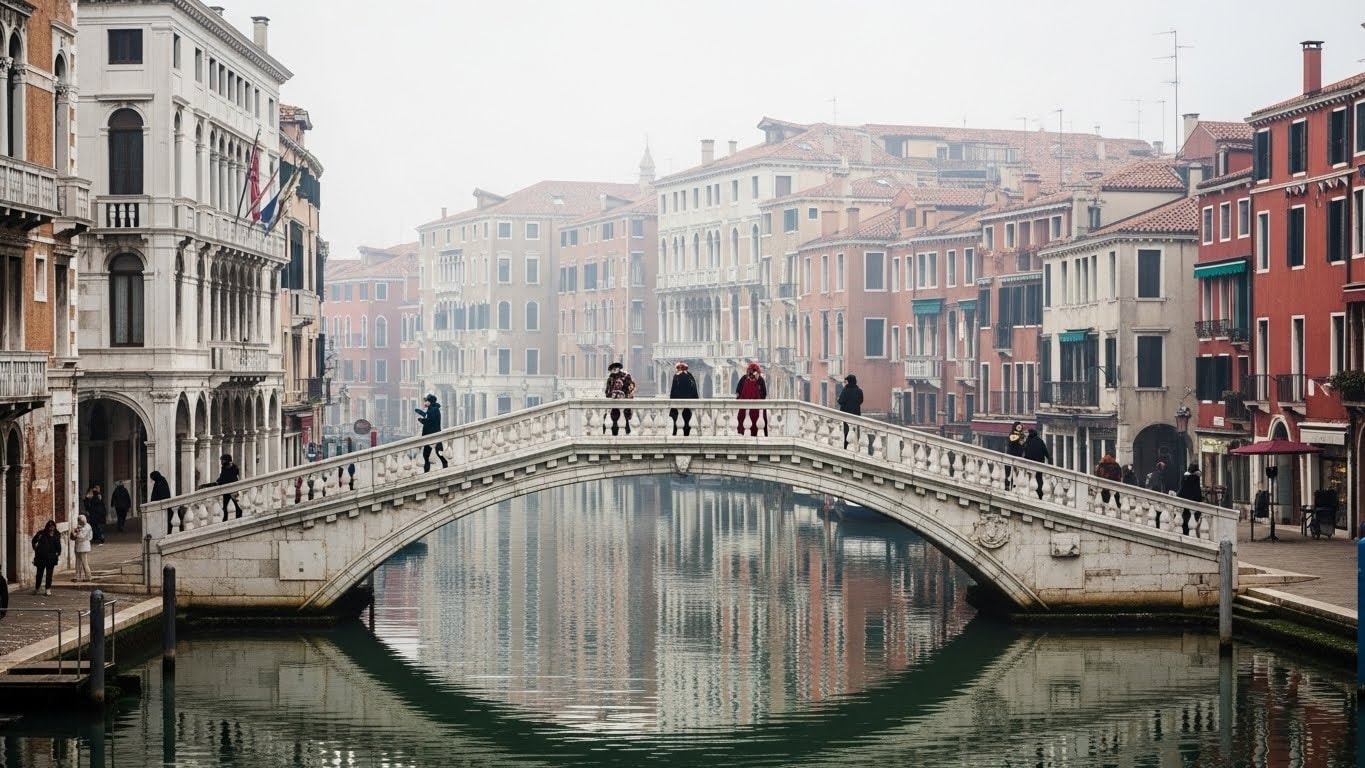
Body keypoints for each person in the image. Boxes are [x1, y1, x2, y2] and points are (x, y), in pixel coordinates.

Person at [415, 393, 449, 472]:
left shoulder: (433, 409)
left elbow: (430, 421)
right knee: (437, 453)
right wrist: (420, 412)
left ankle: (428, 471)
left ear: (429, 402)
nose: (424, 403)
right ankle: (444, 466)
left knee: (428, 455)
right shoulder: (433, 409)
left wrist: (421, 420)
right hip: (434, 435)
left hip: (432, 435)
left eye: (426, 401)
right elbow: (428, 416)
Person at [604, 362, 636, 436]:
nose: (614, 370)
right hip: (613, 406)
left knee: (623, 422)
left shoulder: (626, 376)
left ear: (619, 368)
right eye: (613, 369)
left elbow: (631, 388)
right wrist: (613, 395)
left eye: (616, 368)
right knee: (613, 424)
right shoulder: (610, 379)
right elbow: (607, 393)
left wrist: (624, 395)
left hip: (623, 405)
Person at [736, 362, 768, 436]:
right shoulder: (744, 379)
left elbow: (763, 395)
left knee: (756, 426)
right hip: (746, 409)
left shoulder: (760, 380)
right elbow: (738, 393)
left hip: (756, 410)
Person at [30, 520, 61, 596]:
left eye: (52, 526)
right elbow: (34, 541)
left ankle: (48, 589)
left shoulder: (57, 534)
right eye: (50, 526)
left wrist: (58, 553)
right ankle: (37, 588)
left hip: (51, 557)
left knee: (49, 574)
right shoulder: (41, 533)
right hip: (41, 557)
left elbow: (58, 545)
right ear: (47, 527)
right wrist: (35, 548)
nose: (51, 528)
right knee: (39, 574)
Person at [668, 361, 699, 436]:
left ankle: (676, 433)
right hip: (688, 405)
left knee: (677, 422)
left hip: (678, 404)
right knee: (687, 421)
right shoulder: (690, 376)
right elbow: (695, 390)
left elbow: (673, 391)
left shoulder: (677, 377)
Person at [1020, 428, 1051, 500]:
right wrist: (1049, 459)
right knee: (1039, 478)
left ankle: (1032, 492)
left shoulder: (1028, 441)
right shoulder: (1040, 441)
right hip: (1040, 462)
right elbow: (1046, 452)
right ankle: (1040, 493)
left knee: (1031, 477)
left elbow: (1026, 452)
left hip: (1031, 463)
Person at [837, 374, 864, 449]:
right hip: (856, 413)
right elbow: (861, 401)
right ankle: (856, 446)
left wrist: (838, 399)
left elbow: (840, 401)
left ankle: (846, 445)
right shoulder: (859, 391)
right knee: (855, 430)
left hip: (846, 414)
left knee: (847, 430)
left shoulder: (845, 390)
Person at [1176, 463, 1203, 535]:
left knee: (1185, 519)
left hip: (1186, 503)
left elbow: (1182, 491)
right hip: (1194, 502)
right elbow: (1197, 492)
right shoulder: (1195, 478)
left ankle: (1186, 532)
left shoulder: (1184, 478)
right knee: (1192, 520)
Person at [216, 454, 243, 520]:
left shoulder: (234, 468)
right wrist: (218, 481)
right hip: (226, 489)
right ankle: (226, 516)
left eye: (222, 460)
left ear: (226, 460)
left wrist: (220, 481)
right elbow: (222, 477)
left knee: (233, 501)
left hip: (232, 488)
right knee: (226, 504)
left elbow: (229, 478)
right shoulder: (225, 468)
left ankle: (237, 512)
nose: (221, 462)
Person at [70, 514, 93, 582]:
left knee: (84, 562)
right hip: (78, 546)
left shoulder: (87, 527)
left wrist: (75, 533)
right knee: (78, 562)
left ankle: (88, 576)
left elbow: (81, 536)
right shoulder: (80, 526)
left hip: (84, 546)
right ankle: (77, 576)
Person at [1004, 421, 1025, 490]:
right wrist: (1020, 436)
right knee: (1009, 472)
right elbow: (1012, 439)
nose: (1019, 428)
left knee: (1017, 472)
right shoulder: (1012, 434)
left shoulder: (1022, 436)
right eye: (1018, 427)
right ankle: (1007, 485)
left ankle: (1014, 485)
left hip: (1018, 456)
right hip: (1011, 455)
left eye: (1020, 427)